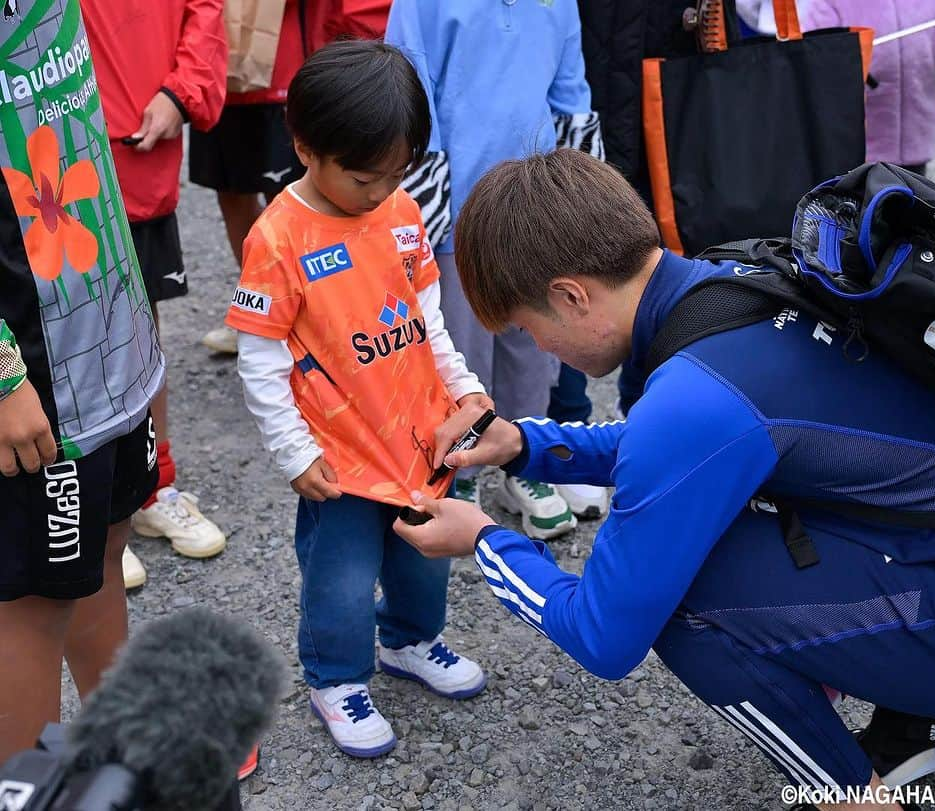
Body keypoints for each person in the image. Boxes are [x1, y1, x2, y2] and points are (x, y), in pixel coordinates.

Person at [394, 150, 935, 810]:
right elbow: (684, 451)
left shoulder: (694, 402)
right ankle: (929, 707)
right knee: (719, 521)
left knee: (680, 596)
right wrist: (524, 445)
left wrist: (484, 539)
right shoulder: (731, 274)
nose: (540, 350)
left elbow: (604, 635)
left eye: (527, 328)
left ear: (571, 295)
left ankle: (854, 797)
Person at [225, 40, 491, 758]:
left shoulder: (403, 211)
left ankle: (411, 639)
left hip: (419, 437)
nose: (378, 191)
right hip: (338, 458)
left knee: (422, 559)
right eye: (362, 176)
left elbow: (426, 313)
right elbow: (260, 355)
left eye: (394, 173)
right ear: (306, 146)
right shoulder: (278, 237)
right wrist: (292, 449)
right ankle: (336, 676)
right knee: (339, 580)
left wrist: (461, 385)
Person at [0, 0, 163, 763]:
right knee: (32, 601)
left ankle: (124, 753)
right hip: (27, 361)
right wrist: (2, 373)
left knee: (105, 546)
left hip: (106, 322)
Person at [386, 0, 608, 535]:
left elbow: (569, 91)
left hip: (536, 205)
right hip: (454, 204)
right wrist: (427, 203)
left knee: (534, 342)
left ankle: (521, 463)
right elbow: (407, 94)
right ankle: (456, 467)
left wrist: (578, 193)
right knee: (459, 345)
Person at [81, 0, 230, 585]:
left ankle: (152, 488)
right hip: (49, 164)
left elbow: (204, 9)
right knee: (66, 337)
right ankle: (90, 510)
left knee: (140, 325)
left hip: (137, 148)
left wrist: (181, 91)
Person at [193, 0, 392, 356]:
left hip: (290, 68)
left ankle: (317, 317)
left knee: (295, 205)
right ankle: (263, 307)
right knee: (231, 193)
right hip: (222, 70)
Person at [801, 1, 935, 175]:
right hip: (855, 145)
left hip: (914, 141)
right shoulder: (830, 3)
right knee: (857, 208)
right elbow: (813, 57)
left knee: (908, 207)